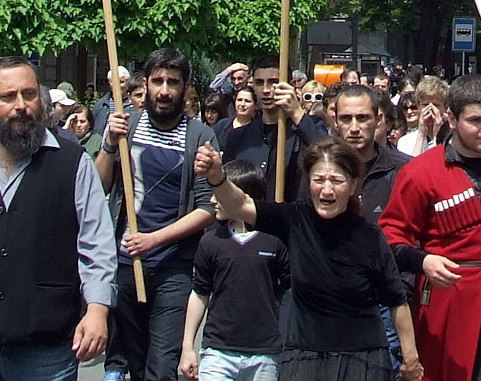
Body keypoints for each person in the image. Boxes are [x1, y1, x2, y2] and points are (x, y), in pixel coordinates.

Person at [194, 136, 423, 381]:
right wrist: (217, 177)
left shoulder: (369, 235)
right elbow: (240, 204)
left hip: (363, 359)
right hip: (305, 357)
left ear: (353, 184)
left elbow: (396, 300)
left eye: (336, 180)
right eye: (319, 179)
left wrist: (410, 359)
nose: (327, 189)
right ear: (308, 182)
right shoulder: (294, 219)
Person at [94, 47, 218, 381]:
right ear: (145, 84)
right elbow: (99, 187)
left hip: (173, 268)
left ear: (185, 87)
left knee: (162, 366)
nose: (164, 90)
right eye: (157, 81)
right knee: (132, 361)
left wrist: (154, 240)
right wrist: (108, 145)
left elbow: (208, 208)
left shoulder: (200, 136)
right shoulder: (127, 126)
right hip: (125, 263)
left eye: (172, 82)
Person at [0, 56, 117, 379]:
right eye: (8, 97)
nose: (21, 105)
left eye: (29, 94)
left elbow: (97, 243)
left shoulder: (72, 163)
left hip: (46, 343)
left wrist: (96, 309)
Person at [378, 74, 481, 380]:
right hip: (448, 306)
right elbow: (390, 236)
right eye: (476, 120)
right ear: (451, 118)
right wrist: (422, 260)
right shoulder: (420, 172)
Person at [180, 160, 290, 381]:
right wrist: (187, 347)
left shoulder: (276, 241)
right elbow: (200, 293)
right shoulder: (211, 242)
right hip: (217, 351)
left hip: (265, 353)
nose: (213, 201)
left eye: (219, 194)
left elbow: (290, 292)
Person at [333, 85, 412, 377]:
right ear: (335, 120)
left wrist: (402, 291)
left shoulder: (404, 172)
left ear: (379, 119)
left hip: (386, 304)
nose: (354, 127)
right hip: (332, 302)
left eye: (363, 118)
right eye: (346, 118)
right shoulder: (318, 170)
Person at [223, 54, 327, 202]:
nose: (266, 90)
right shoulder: (238, 137)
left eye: (273, 82)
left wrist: (297, 113)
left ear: (289, 85)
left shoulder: (307, 129)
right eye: (259, 82)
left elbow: (329, 154)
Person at [397, 76, 449, 156]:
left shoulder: (453, 139)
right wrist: (421, 135)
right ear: (418, 106)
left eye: (436, 105)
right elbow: (412, 167)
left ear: (445, 107)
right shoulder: (405, 141)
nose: (430, 110)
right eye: (425, 105)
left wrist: (437, 136)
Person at [92, 65, 134, 135]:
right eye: (114, 82)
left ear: (128, 82)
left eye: (121, 82)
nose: (117, 85)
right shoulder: (101, 105)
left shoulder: (134, 105)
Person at [214, 86, 257, 152]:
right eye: (239, 100)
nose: (242, 104)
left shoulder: (258, 130)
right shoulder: (221, 125)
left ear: (255, 105)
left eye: (247, 101)